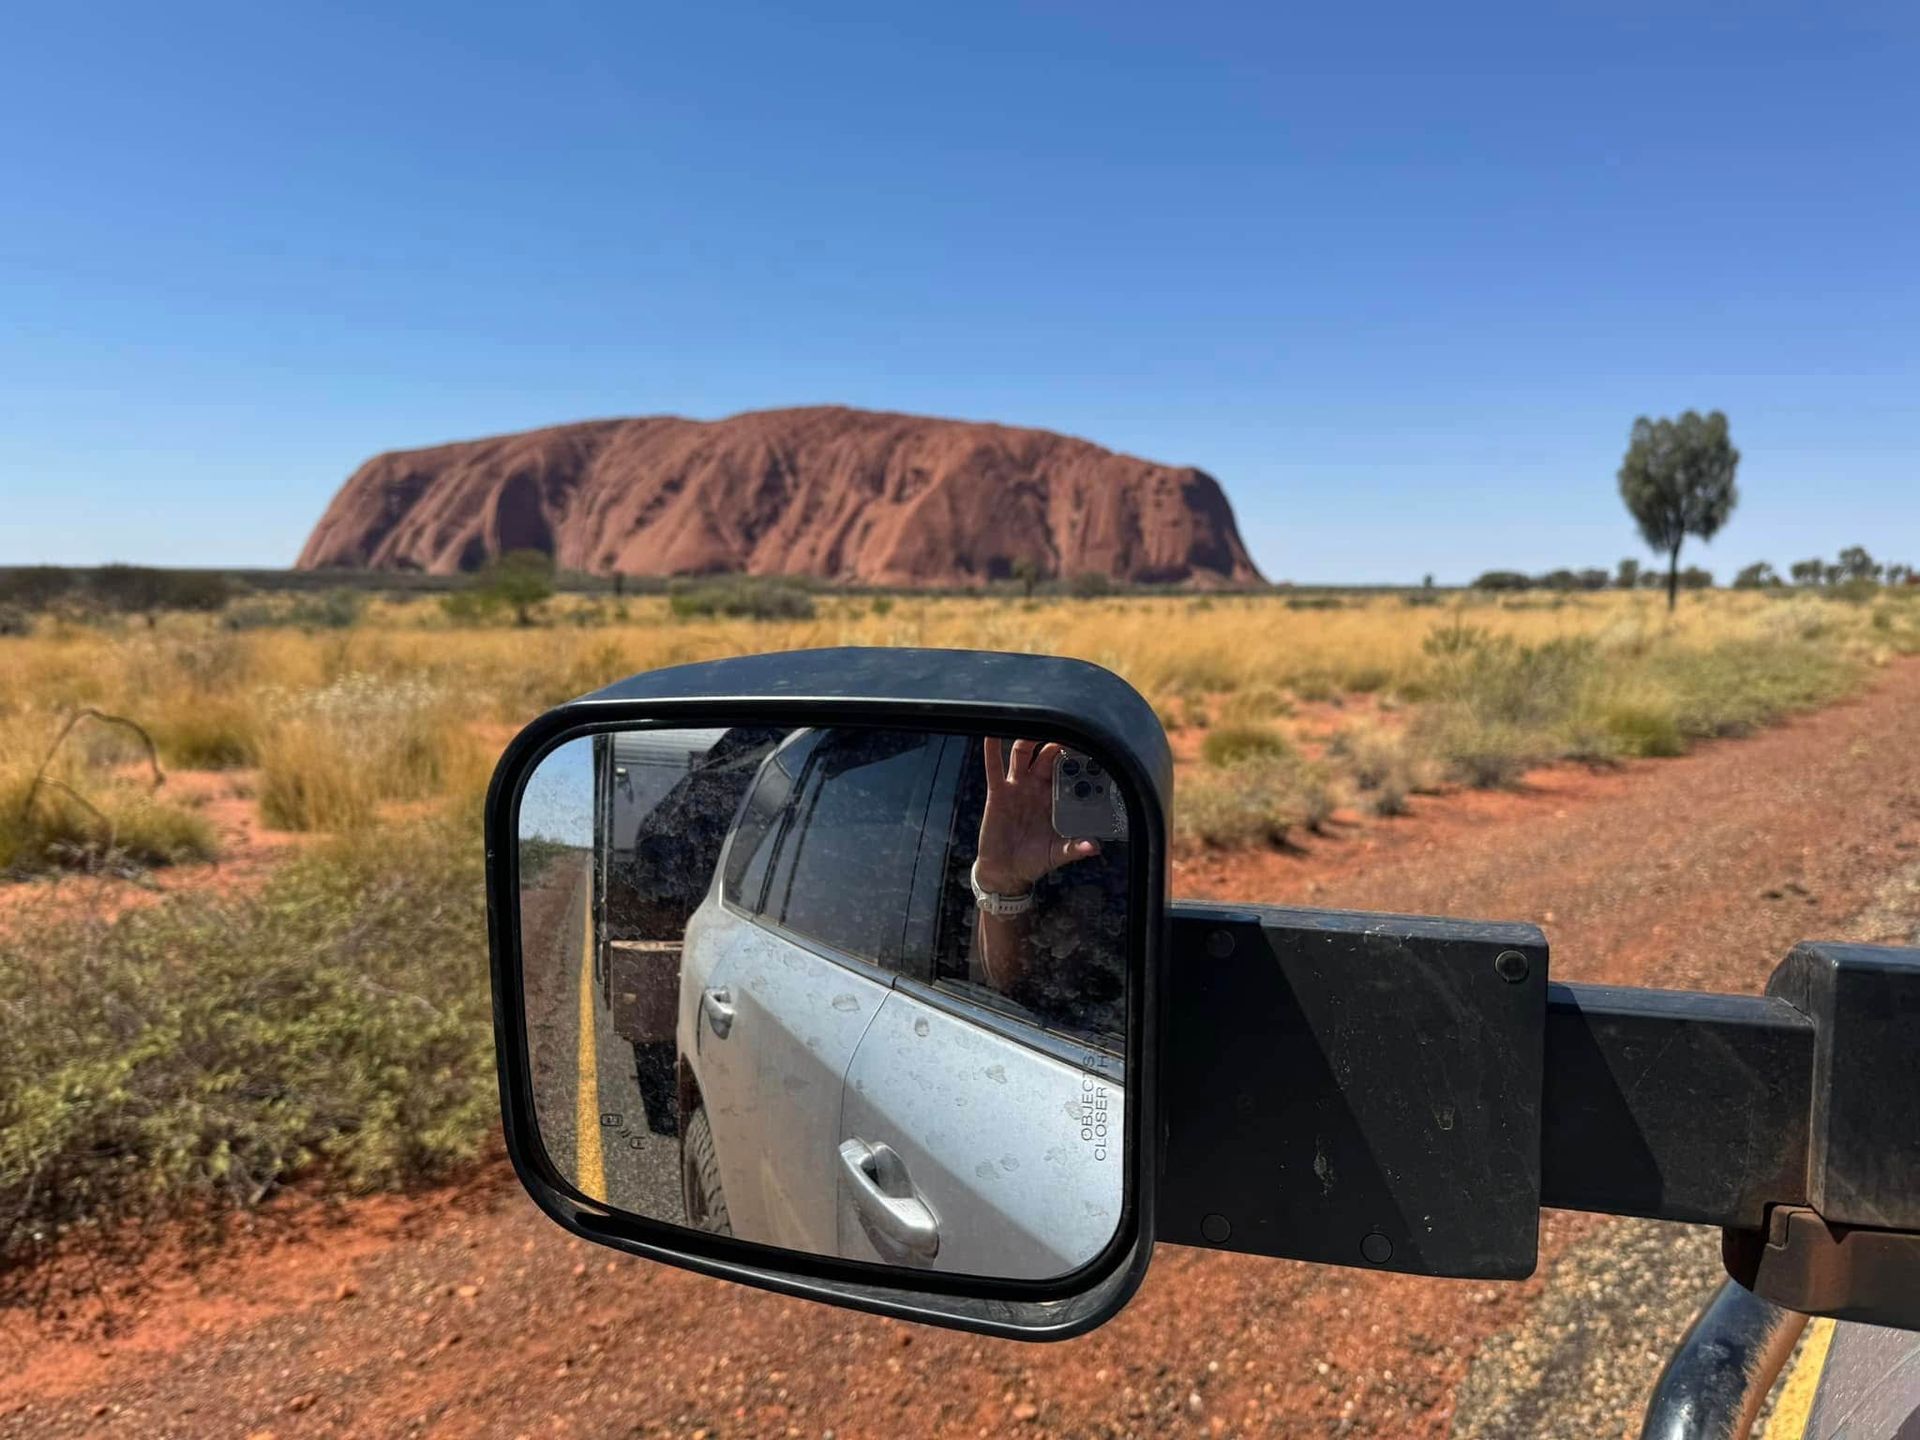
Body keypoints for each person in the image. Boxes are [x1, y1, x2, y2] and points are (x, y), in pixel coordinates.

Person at [966, 737, 1127, 1044]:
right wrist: (1003, 882)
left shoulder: (1138, 828)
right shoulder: (1011, 825)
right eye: (1064, 768)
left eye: (1099, 765)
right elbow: (1005, 978)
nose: (1078, 781)